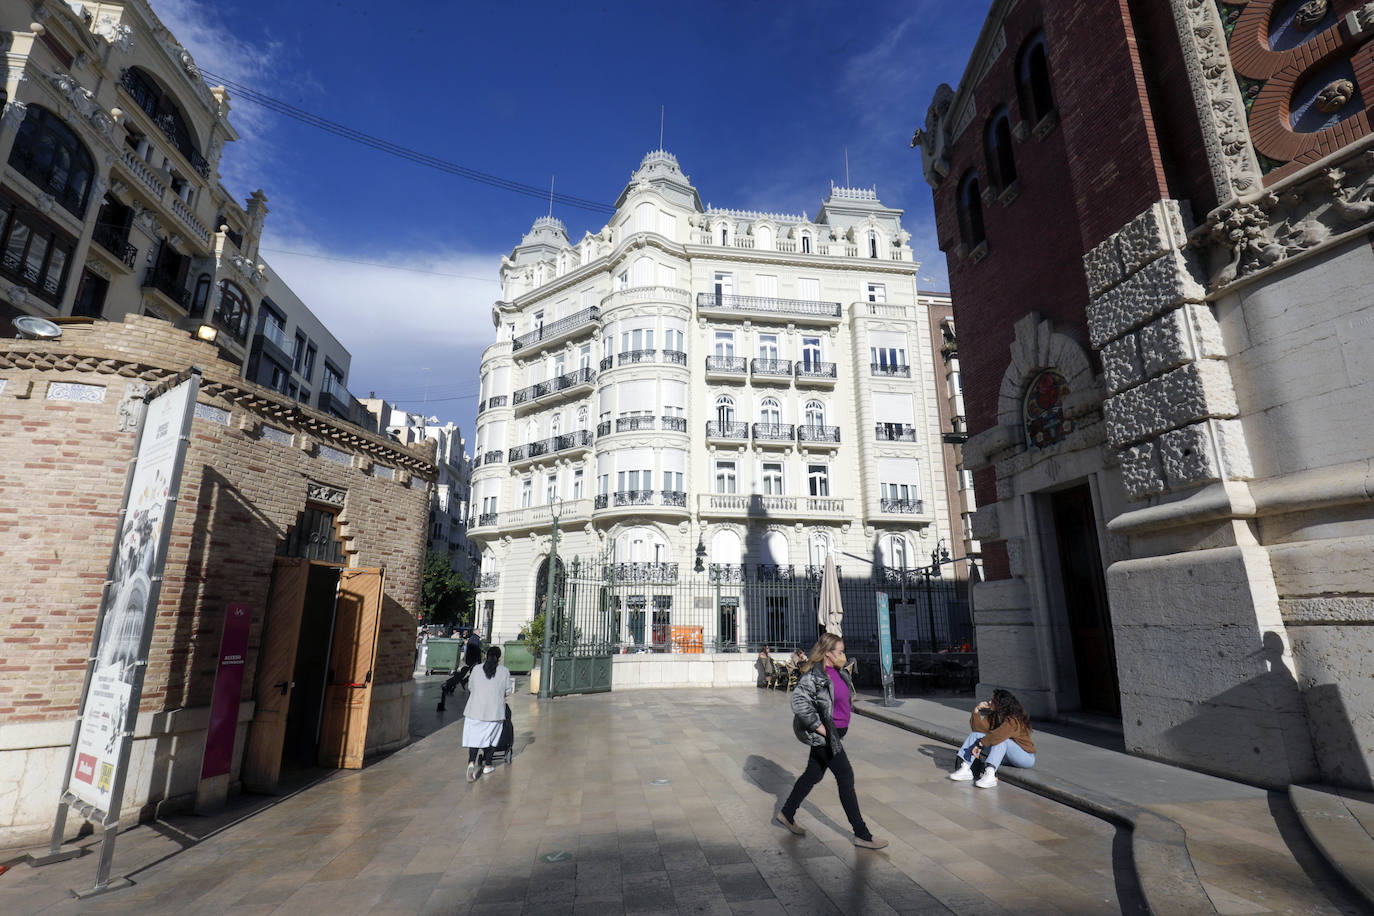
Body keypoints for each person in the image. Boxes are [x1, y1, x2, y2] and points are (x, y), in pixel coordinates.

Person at [776, 633, 888, 850]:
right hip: (827, 737)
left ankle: (786, 813)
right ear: (828, 653)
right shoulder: (814, 675)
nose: (843, 655)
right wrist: (821, 728)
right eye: (839, 652)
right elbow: (799, 702)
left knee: (813, 774)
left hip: (835, 733)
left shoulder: (837, 671)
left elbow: (838, 697)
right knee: (846, 777)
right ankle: (862, 834)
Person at [949, 688, 1036, 788]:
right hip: (1005, 755)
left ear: (1000, 703)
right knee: (976, 735)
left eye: (993, 700)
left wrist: (980, 744)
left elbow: (999, 735)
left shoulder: (1014, 720)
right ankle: (965, 768)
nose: (990, 702)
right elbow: (978, 730)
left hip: (1024, 757)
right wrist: (977, 711)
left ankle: (990, 774)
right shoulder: (995, 715)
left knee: (1002, 740)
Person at [463, 646, 514, 781]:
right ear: (499, 658)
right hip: (494, 711)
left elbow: (470, 687)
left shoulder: (476, 669)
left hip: (475, 709)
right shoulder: (504, 671)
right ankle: (488, 764)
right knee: (492, 738)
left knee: (474, 738)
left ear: (486, 656)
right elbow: (508, 690)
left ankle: (471, 763)